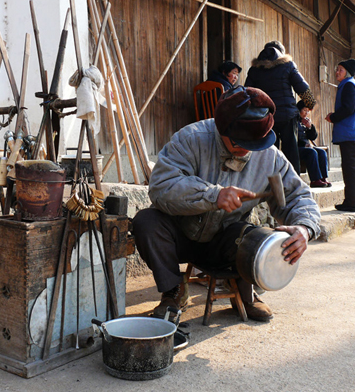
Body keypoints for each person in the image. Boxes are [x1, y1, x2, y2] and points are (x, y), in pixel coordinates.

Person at [132, 86, 321, 322]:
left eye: (255, 143)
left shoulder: (270, 157)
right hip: (180, 234)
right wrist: (213, 195)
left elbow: (297, 197)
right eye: (240, 143)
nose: (247, 150)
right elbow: (161, 186)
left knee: (258, 238)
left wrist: (305, 227)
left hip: (226, 242)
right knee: (146, 222)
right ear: (220, 128)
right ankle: (173, 291)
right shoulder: (191, 139)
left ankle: (245, 293)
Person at [245, 41, 316, 175]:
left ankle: (270, 185)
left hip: (266, 117)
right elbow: (302, 86)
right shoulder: (287, 65)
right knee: (291, 152)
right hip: (287, 116)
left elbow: (248, 92)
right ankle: (294, 186)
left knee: (269, 151)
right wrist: (310, 103)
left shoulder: (254, 70)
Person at [325, 59, 355, 213]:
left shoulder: (349, 85)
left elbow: (348, 109)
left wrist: (333, 117)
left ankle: (351, 203)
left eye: (340, 70)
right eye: (337, 69)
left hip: (350, 132)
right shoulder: (351, 84)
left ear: (348, 73)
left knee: (350, 168)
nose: (337, 72)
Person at [296, 100, 331, 188]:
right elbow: (294, 137)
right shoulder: (294, 121)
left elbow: (313, 137)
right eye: (304, 110)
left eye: (308, 111)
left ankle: (323, 177)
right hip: (297, 148)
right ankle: (315, 180)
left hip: (307, 147)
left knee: (322, 152)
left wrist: (310, 127)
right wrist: (304, 144)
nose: (306, 113)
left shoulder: (306, 121)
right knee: (312, 152)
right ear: (299, 110)